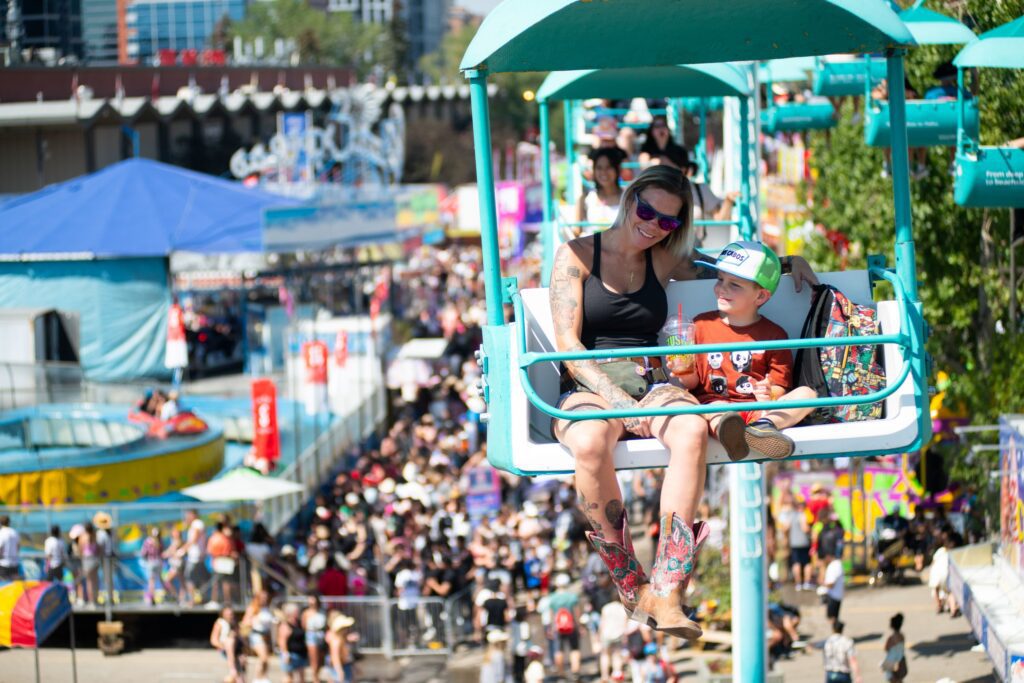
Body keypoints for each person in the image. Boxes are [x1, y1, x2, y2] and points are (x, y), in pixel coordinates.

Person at [550, 165, 818, 639]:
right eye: (647, 210)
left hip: (651, 381)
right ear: (629, 198)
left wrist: (788, 259)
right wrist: (615, 402)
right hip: (590, 384)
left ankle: (669, 588)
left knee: (692, 429)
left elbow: (725, 268)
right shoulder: (576, 256)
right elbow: (567, 342)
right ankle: (631, 584)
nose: (653, 226)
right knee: (591, 442)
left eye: (668, 222)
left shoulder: (664, 258)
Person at [679, 241, 818, 460]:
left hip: (757, 411)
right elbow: (692, 385)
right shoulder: (700, 325)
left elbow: (779, 388)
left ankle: (763, 428)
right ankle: (733, 437)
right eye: (720, 279)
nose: (722, 288)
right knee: (714, 410)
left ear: (760, 297)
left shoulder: (774, 335)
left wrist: (768, 393)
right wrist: (684, 372)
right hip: (714, 408)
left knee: (808, 395)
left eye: (734, 284)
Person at [546, 573, 582, 681]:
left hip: (558, 627)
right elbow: (576, 613)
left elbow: (552, 614)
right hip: (572, 626)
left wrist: (552, 627)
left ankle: (561, 674)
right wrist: (579, 626)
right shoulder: (572, 597)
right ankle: (575, 672)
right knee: (574, 648)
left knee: (559, 650)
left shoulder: (552, 598)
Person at [578, 148, 625, 227]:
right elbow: (577, 231)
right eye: (599, 168)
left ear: (617, 169)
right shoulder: (585, 198)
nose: (604, 172)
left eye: (609, 167)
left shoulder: (629, 197)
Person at [779, 498, 813, 590]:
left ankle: (798, 583)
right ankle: (807, 582)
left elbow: (785, 528)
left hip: (794, 543)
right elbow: (805, 528)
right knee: (807, 563)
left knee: (796, 563)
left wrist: (787, 537)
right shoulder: (802, 515)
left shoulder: (791, 516)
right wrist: (811, 531)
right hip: (804, 542)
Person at [242, 590, 275, 683]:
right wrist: (253, 621)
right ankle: (257, 678)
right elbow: (245, 622)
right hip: (256, 635)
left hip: (266, 636)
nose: (264, 599)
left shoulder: (267, 608)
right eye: (262, 597)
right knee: (263, 657)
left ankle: (263, 676)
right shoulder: (253, 608)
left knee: (266, 659)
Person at [209, 606, 245, 683]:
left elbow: (240, 637)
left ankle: (234, 673)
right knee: (230, 641)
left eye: (231, 614)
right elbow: (213, 640)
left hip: (236, 650)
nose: (230, 616)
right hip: (226, 649)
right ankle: (232, 668)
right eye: (228, 614)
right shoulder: (220, 623)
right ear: (223, 614)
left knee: (239, 677)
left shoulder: (235, 623)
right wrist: (223, 646)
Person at [278, 602, 309, 683]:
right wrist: (285, 654)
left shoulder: (299, 623)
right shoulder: (285, 625)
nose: (298, 613)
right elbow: (282, 641)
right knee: (289, 677)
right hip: (291, 655)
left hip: (301, 654)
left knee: (301, 677)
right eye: (296, 611)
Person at [325, 612, 356, 682]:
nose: (347, 629)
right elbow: (335, 657)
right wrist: (339, 671)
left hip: (345, 665)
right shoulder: (336, 641)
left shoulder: (341, 639)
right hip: (340, 667)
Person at [303, 594, 328, 682]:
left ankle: (316, 675)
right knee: (314, 659)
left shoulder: (322, 611)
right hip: (311, 636)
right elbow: (304, 626)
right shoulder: (306, 613)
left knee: (321, 659)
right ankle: (315, 679)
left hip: (321, 636)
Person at [819, 548, 845, 625]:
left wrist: (822, 583)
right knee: (834, 617)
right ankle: (836, 632)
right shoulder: (838, 564)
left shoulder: (833, 566)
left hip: (833, 596)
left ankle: (836, 633)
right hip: (837, 595)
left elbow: (831, 584)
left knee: (832, 618)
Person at [140, 527, 165, 605]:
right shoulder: (160, 541)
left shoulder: (148, 541)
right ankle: (167, 596)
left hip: (151, 562)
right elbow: (162, 552)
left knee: (151, 582)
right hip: (159, 562)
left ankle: (152, 598)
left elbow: (143, 553)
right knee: (161, 580)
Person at [881, 612, 907, 682]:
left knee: (892, 679)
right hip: (901, 660)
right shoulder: (902, 636)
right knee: (900, 679)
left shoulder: (891, 638)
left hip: (891, 660)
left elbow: (886, 648)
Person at [0, 515, 19, 582]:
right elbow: (17, 546)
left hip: (3, 563)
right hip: (14, 562)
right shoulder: (14, 532)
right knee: (14, 585)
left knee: (3, 585)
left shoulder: (2, 533)